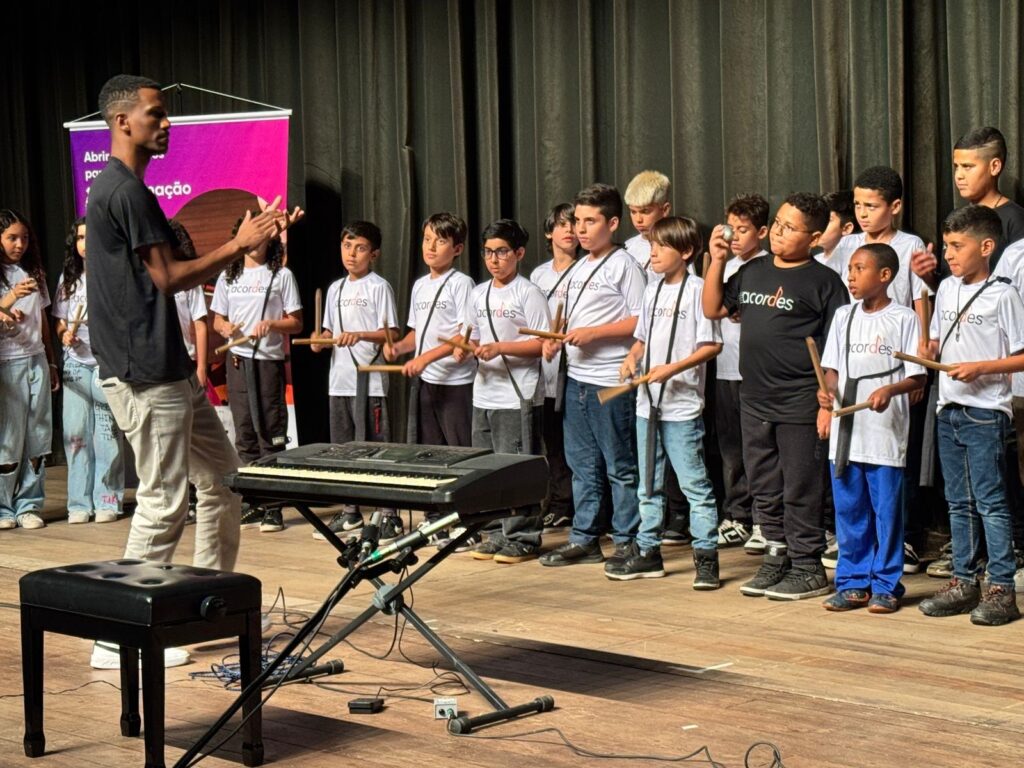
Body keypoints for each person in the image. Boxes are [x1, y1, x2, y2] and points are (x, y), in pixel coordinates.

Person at [84, 74, 300, 668]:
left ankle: (201, 607)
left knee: (224, 482)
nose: (167, 123)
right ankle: (116, 636)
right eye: (156, 114)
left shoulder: (127, 190)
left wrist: (255, 243)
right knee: (161, 501)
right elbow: (172, 278)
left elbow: (176, 274)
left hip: (169, 370)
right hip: (145, 374)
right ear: (122, 121)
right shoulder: (122, 191)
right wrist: (241, 243)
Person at [703, 193, 848, 600]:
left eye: (791, 228)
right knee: (764, 484)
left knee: (800, 484)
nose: (780, 232)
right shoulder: (753, 271)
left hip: (801, 398)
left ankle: (807, 565)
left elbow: (837, 348)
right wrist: (716, 260)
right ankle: (777, 554)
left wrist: (827, 401)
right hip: (755, 397)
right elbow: (713, 308)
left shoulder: (824, 282)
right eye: (779, 224)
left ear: (815, 237)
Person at [918, 205, 1024, 626]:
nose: (949, 254)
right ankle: (964, 581)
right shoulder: (945, 290)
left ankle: (1001, 587)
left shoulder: (1004, 293)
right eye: (946, 246)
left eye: (957, 246)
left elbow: (1021, 357)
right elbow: (937, 342)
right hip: (950, 409)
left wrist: (981, 368)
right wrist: (928, 352)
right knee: (958, 503)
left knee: (991, 502)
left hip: (985, 413)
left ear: (986, 246)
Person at [539, 183, 646, 569]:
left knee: (619, 464)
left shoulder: (625, 265)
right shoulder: (579, 266)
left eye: (590, 221)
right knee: (581, 464)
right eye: (578, 221)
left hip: (611, 379)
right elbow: (568, 318)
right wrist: (554, 341)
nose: (581, 230)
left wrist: (594, 335)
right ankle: (584, 538)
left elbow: (641, 320)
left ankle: (627, 540)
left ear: (613, 223)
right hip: (578, 377)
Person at [610, 216, 722, 586]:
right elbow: (641, 338)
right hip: (647, 404)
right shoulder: (652, 289)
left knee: (695, 486)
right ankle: (648, 551)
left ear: (686, 252)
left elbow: (711, 345)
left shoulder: (697, 290)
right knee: (648, 483)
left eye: (661, 247)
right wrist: (633, 358)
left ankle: (706, 556)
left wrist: (672, 369)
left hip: (681, 407)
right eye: (652, 246)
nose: (652, 253)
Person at [816, 244, 926, 613]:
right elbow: (831, 368)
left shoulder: (904, 318)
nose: (851, 275)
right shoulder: (844, 316)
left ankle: (887, 584)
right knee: (849, 511)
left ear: (884, 276)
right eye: (849, 268)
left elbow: (917, 376)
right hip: (849, 430)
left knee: (886, 512)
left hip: (883, 432)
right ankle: (852, 582)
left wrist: (889, 390)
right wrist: (827, 392)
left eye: (859, 268)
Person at [458, 219, 550, 563]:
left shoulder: (529, 293)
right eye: (488, 252)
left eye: (502, 252)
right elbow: (472, 336)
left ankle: (524, 535)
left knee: (515, 467)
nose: (494, 259)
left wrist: (501, 347)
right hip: (484, 392)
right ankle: (494, 531)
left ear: (519, 253)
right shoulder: (478, 293)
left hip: (518, 394)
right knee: (485, 468)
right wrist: (464, 347)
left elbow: (542, 343)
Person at [383, 212, 476, 548]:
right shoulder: (420, 285)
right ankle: (437, 518)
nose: (431, 246)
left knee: (459, 454)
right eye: (427, 239)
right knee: (430, 454)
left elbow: (463, 336)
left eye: (440, 240)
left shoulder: (462, 283)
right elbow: (416, 335)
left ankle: (466, 524)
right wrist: (399, 348)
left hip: (455, 384)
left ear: (457, 248)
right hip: (426, 384)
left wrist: (423, 358)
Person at [311, 221, 402, 541]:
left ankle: (389, 513)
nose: (352, 253)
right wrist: (320, 339)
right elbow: (327, 332)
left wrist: (360, 334)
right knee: (344, 451)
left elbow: (392, 333)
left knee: (377, 449)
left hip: (371, 381)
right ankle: (351, 511)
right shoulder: (335, 288)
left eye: (360, 247)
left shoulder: (379, 287)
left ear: (374, 254)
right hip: (340, 382)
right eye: (347, 246)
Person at [211, 217, 303, 533]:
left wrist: (272, 324)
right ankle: (254, 502)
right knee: (245, 433)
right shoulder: (228, 275)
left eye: (261, 236)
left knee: (271, 433)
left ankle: (274, 507)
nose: (253, 242)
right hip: (237, 362)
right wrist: (225, 327)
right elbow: (217, 321)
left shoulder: (281, 275)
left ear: (269, 240)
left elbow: (297, 323)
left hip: (267, 363)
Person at [51, 217, 124, 524]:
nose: (85, 244)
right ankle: (80, 503)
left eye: (90, 237)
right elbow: (59, 321)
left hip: (105, 363)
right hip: (75, 365)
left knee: (107, 435)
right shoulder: (69, 280)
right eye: (80, 238)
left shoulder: (114, 274)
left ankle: (108, 499)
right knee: (76, 435)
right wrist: (63, 334)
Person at [713, 194, 769, 553]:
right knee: (731, 449)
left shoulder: (766, 267)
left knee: (759, 450)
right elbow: (713, 308)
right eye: (731, 228)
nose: (735, 237)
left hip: (755, 371)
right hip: (724, 367)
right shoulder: (725, 265)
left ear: (762, 232)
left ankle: (765, 519)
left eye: (744, 230)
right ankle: (737, 516)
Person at [0, 208, 59, 530]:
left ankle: (29, 504)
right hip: (7, 363)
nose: (19, 244)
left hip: (36, 358)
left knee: (39, 435)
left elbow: (44, 322)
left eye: (23, 238)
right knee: (9, 438)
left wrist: (50, 361)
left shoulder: (33, 272)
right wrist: (8, 301)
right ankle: (3, 507)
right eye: (11, 238)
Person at [529, 203, 580, 530]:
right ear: (550, 232)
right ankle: (557, 501)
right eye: (562, 225)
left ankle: (576, 504)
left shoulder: (586, 268)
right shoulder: (538, 275)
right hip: (543, 369)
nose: (570, 231)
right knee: (552, 442)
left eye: (575, 224)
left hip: (575, 366)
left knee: (575, 442)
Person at [623, 170, 671, 279]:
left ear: (665, 210)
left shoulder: (676, 247)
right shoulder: (627, 247)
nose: (638, 219)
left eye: (645, 211)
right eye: (633, 212)